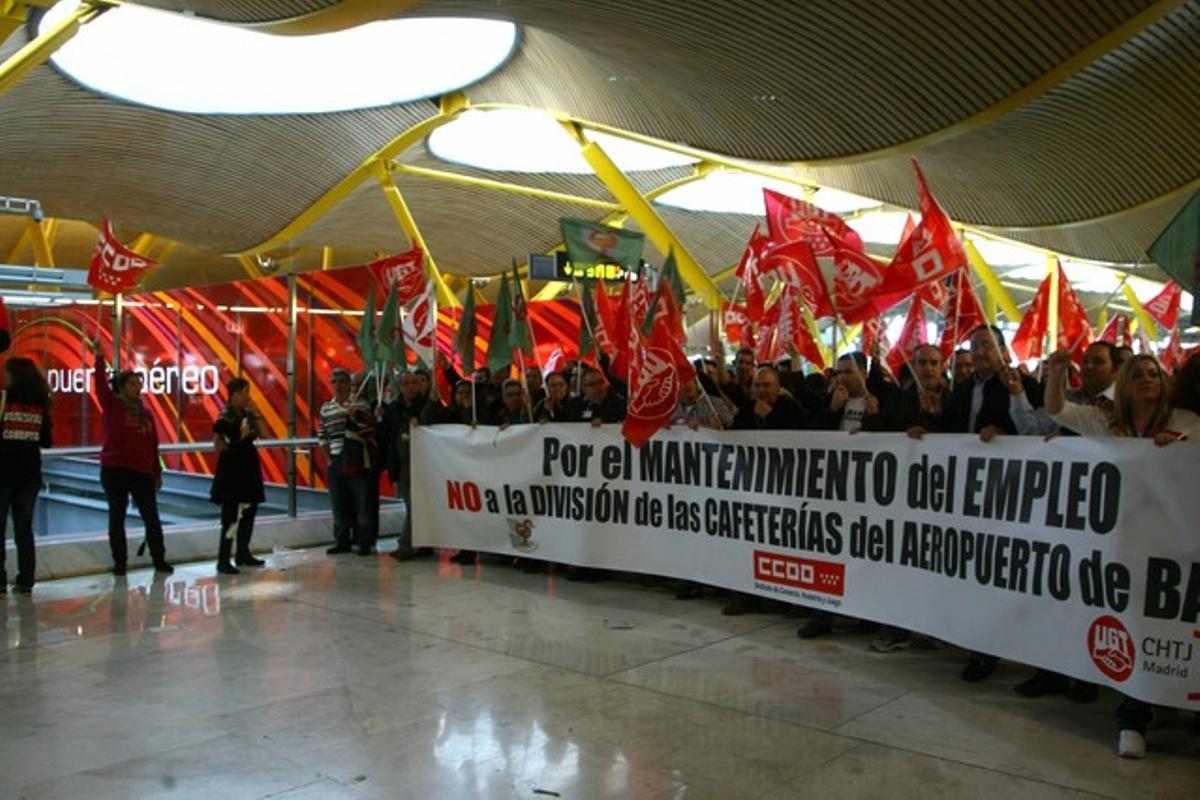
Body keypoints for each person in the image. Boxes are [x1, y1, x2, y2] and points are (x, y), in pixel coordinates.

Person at [1044, 350, 1199, 759]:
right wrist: (1058, 372)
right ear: (1125, 385)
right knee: (1133, 626)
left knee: (1172, 630)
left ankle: (1165, 702)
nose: (1147, 379)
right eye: (1138, 375)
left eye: (1154, 373)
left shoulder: (1186, 422)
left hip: (1176, 546)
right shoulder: (1106, 423)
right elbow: (1057, 409)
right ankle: (1132, 719)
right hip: (1125, 542)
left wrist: (1179, 449)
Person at [916, 325, 1042, 682]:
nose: (980, 352)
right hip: (967, 495)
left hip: (1008, 496)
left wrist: (1005, 438)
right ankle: (979, 647)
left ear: (1003, 349)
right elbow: (952, 433)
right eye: (975, 347)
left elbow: (1039, 434)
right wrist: (929, 424)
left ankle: (1004, 646)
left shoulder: (1022, 385)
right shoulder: (963, 389)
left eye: (988, 345)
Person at [723, 366, 807, 615]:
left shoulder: (791, 409)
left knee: (781, 546)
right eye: (757, 386)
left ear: (778, 387)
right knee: (748, 543)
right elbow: (736, 439)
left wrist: (769, 418)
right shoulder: (747, 410)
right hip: (751, 490)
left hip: (784, 491)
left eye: (766, 386)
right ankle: (747, 596)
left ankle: (783, 598)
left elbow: (802, 439)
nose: (761, 391)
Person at [91, 339, 173, 575]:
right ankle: (120, 562)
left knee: (151, 516)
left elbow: (152, 443)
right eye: (133, 384)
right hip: (115, 469)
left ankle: (159, 559)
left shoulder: (145, 413)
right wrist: (99, 359)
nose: (138, 387)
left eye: (139, 383)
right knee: (117, 517)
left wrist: (157, 472)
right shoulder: (113, 406)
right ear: (122, 387)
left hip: (142, 470)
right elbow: (100, 387)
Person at [0, 358, 52, 593]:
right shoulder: (41, 403)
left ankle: (0, 580)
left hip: (3, 472)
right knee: (24, 528)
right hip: (30, 473)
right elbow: (47, 441)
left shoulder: (4, 399)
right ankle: (26, 578)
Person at [210, 378, 267, 574]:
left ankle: (243, 552)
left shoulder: (246, 414)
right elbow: (219, 443)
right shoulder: (225, 416)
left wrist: (255, 414)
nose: (247, 397)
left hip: (248, 468)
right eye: (244, 392)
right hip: (232, 471)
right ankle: (223, 558)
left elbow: (264, 434)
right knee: (230, 516)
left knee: (249, 511)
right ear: (233, 394)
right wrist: (239, 438)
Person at [1009, 341, 1118, 437]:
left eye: (1098, 362)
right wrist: (1017, 393)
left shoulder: (1125, 402)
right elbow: (1033, 432)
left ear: (1116, 369)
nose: (1089, 366)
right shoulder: (1062, 399)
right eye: (1085, 361)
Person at [381, 371, 427, 561]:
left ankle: (407, 544)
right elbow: (386, 436)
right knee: (411, 504)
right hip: (402, 464)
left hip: (424, 463)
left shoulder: (425, 406)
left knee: (418, 505)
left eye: (413, 382)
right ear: (400, 387)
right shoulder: (392, 409)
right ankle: (420, 543)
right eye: (406, 383)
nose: (410, 386)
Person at [318, 368, 359, 555]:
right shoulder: (326, 408)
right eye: (334, 381)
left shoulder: (358, 404)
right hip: (335, 458)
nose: (338, 385)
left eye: (342, 381)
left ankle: (360, 538)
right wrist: (328, 459)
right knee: (338, 502)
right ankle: (342, 540)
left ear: (349, 384)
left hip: (355, 458)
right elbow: (322, 436)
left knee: (357, 500)